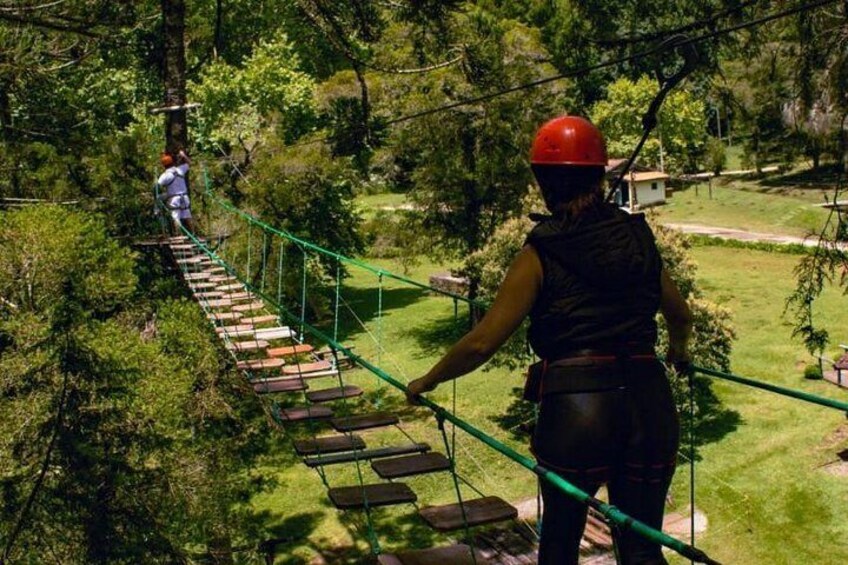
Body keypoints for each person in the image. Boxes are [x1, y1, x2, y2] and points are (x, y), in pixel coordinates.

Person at [407, 115, 692, 564]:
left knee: (559, 547)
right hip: (649, 404)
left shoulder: (540, 253)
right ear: (600, 175)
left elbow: (483, 342)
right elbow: (679, 314)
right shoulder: (638, 238)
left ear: (543, 182)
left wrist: (429, 379)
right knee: (642, 549)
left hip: (577, 415)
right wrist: (678, 351)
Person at [157, 149, 197, 234]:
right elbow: (190, 163)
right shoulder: (180, 170)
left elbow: (157, 186)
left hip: (174, 199)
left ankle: (179, 236)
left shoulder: (165, 176)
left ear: (164, 166)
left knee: (176, 217)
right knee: (187, 216)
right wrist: (183, 155)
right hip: (185, 197)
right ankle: (193, 234)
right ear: (172, 162)